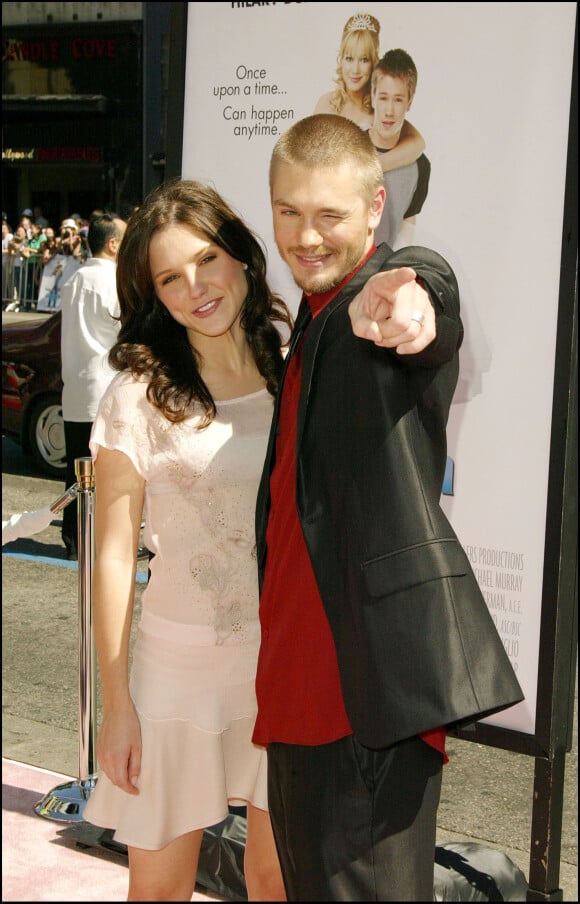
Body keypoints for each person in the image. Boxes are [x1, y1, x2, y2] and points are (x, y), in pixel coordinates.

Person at [252, 113, 524, 902]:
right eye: (289, 211)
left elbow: (423, 286)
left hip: (362, 700)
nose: (306, 236)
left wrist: (415, 300)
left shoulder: (373, 302)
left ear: (375, 209)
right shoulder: (310, 314)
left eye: (330, 215)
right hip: (297, 693)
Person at [82, 179, 293, 902]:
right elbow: (113, 555)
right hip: (176, 674)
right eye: (170, 278)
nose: (195, 288)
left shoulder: (288, 365)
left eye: (206, 260)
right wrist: (119, 704)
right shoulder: (137, 394)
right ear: (153, 295)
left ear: (238, 256)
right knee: (159, 890)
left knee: (275, 880)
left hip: (280, 665)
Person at [60, 213, 127, 560]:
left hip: (75, 388)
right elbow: (126, 333)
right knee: (107, 475)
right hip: (106, 388)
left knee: (75, 473)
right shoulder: (115, 280)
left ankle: (74, 540)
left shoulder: (72, 279)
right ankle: (99, 542)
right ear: (113, 243)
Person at [314, 12, 424, 173]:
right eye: (349, 59)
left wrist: (370, 169)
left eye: (364, 59)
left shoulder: (379, 108)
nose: (355, 70)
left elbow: (418, 144)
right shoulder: (325, 103)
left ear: (374, 61)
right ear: (341, 60)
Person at [370, 48, 431, 249]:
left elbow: (407, 228)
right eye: (383, 98)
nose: (389, 111)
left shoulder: (420, 166)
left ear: (409, 102)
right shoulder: (350, 148)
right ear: (372, 96)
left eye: (398, 100)